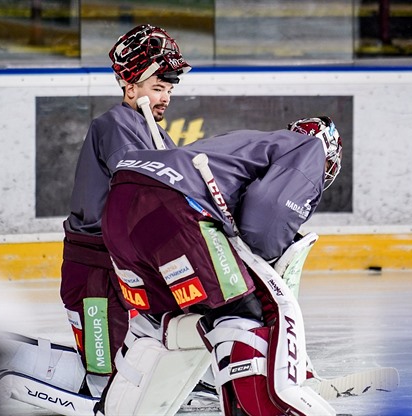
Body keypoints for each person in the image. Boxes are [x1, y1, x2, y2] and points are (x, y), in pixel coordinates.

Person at [98, 117, 343, 415]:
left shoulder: (245, 139)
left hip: (119, 208)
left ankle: (114, 409)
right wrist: (255, 264)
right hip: (173, 208)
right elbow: (268, 216)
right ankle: (258, 409)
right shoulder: (309, 148)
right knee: (242, 311)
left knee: (162, 323)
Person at [60, 23, 191, 398]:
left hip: (124, 259)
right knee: (105, 364)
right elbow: (139, 185)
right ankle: (105, 391)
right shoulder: (114, 125)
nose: (165, 97)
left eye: (168, 89)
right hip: (95, 264)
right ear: (130, 88)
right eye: (157, 88)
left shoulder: (154, 130)